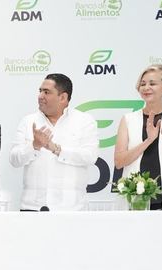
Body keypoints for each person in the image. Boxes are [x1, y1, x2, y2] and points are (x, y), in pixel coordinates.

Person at [9, 73, 99, 211]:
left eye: (47, 92)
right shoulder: (28, 121)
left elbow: (89, 156)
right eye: (40, 91)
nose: (40, 96)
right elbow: (14, 159)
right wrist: (34, 145)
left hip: (71, 208)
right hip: (33, 208)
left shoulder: (84, 121)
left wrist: (56, 149)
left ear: (63, 97)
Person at [114, 64, 162, 210]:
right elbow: (119, 162)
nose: (146, 87)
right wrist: (149, 140)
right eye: (142, 84)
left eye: (152, 83)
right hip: (135, 199)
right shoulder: (128, 119)